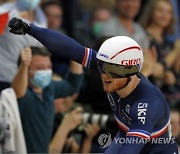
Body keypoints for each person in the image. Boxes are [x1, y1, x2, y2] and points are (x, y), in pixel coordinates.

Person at [8, 17, 178, 153]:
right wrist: (30, 28)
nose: (104, 74)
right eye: (102, 66)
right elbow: (70, 48)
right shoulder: (114, 67)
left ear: (130, 71)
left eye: (110, 70)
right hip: (125, 134)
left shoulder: (147, 105)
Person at [11, 47, 84, 153]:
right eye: (40, 67)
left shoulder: (49, 89)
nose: (45, 71)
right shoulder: (24, 95)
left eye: (49, 67)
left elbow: (73, 85)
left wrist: (74, 55)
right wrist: (23, 65)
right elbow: (17, 91)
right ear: (27, 69)